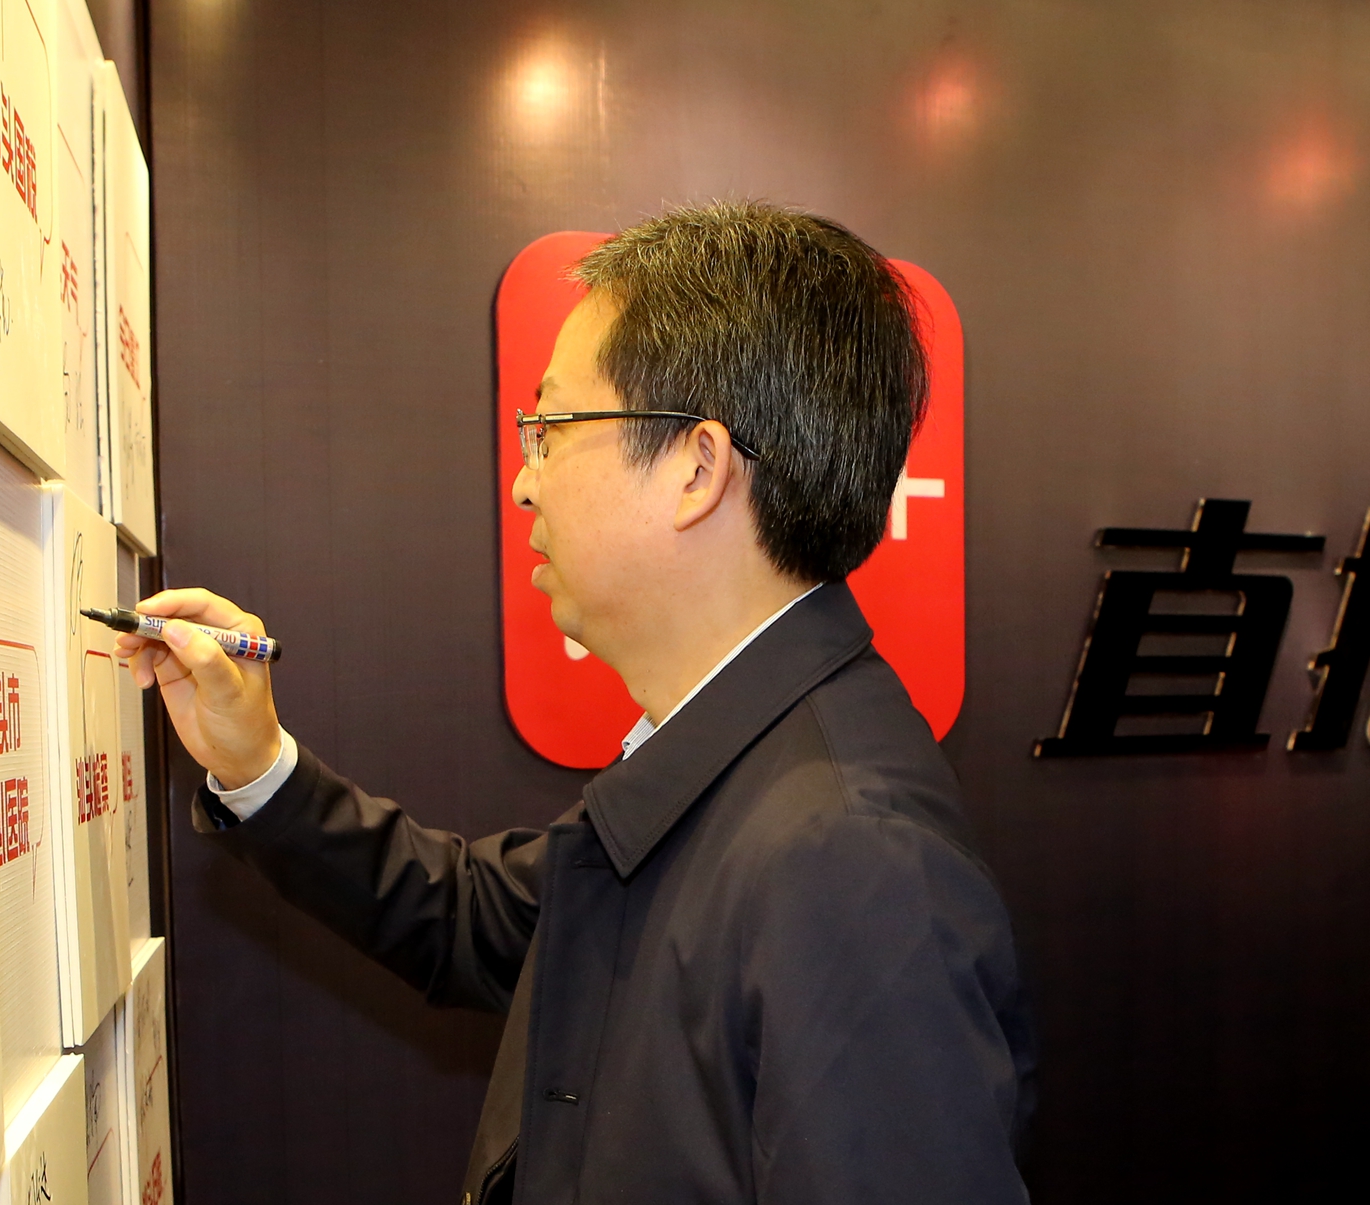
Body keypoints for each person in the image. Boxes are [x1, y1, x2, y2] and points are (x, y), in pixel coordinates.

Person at [119, 201, 1035, 1204]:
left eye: (550, 429)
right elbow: (485, 920)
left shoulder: (851, 857)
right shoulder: (731, 756)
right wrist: (256, 763)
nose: (525, 483)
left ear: (697, 467)